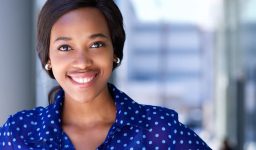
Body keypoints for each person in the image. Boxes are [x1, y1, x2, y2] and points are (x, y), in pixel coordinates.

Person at [0, 0, 211, 149]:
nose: (82, 62)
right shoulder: (19, 133)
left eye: (96, 44)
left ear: (114, 52)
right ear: (47, 58)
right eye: (65, 47)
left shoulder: (160, 131)